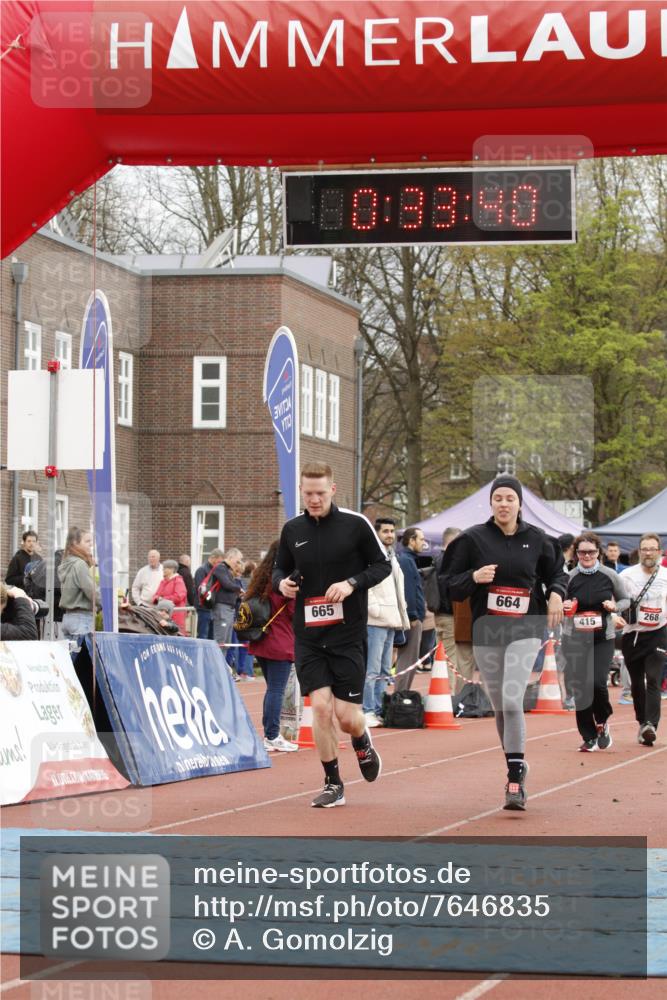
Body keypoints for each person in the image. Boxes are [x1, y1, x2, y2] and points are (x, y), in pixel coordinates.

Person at [442, 475, 567, 811]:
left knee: (512, 699)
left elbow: (558, 572)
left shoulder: (538, 539)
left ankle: (514, 775)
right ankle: (515, 761)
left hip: (527, 627)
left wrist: (556, 594)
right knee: (501, 705)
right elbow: (447, 584)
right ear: (491, 503)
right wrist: (472, 577)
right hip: (488, 629)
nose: (503, 503)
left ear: (519, 504)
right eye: (498, 498)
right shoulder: (473, 540)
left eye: (510, 498)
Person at [273, 461, 391, 808]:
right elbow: (278, 567)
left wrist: (351, 583)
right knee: (321, 709)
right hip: (309, 634)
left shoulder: (355, 525)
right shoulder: (293, 529)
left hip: (347, 633)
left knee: (348, 717)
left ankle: (362, 739)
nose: (313, 499)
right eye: (308, 493)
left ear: (333, 490)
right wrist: (281, 583)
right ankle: (333, 782)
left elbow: (382, 565)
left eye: (320, 493)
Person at [561, 532, 629, 752]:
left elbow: (626, 599)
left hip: (602, 638)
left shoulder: (609, 575)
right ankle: (588, 735)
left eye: (591, 551)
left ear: (598, 552)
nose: (587, 555)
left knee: (598, 682)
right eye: (582, 552)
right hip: (575, 638)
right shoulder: (569, 577)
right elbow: (557, 601)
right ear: (576, 553)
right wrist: (564, 606)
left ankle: (602, 721)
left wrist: (614, 607)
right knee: (580, 688)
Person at [246, 541, 298, 751]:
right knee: (276, 690)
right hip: (280, 641)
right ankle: (272, 735)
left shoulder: (261, 577)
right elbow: (294, 612)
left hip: (261, 640)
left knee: (272, 689)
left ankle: (270, 734)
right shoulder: (286, 582)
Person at [621, 532, 667, 746]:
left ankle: (651, 725)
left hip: (658, 633)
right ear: (640, 552)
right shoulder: (627, 575)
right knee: (637, 683)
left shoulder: (665, 575)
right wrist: (615, 614)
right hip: (632, 635)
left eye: (652, 549)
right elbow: (616, 601)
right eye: (645, 549)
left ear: (659, 552)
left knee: (654, 679)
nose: (648, 552)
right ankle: (642, 721)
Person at [363, 517, 409, 727]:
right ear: (377, 534)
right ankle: (367, 710)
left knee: (384, 670)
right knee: (371, 669)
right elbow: (365, 585)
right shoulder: (368, 557)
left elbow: (398, 590)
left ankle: (379, 708)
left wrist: (401, 615)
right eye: (386, 531)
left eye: (392, 531)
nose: (390, 535)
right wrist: (375, 609)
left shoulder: (393, 557)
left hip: (392, 619)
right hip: (376, 619)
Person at [394, 527, 426, 691]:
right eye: (421, 539)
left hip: (412, 617)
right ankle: (401, 695)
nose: (423, 543)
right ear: (411, 540)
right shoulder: (406, 561)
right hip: (411, 619)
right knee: (408, 660)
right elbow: (408, 590)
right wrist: (413, 616)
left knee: (410, 660)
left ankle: (402, 693)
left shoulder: (409, 559)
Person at [58, 527, 99, 642]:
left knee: (71, 659)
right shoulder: (80, 564)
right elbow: (92, 592)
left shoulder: (67, 563)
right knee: (84, 659)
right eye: (87, 541)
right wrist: (113, 604)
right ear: (75, 543)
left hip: (68, 618)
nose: (91, 545)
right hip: (82, 619)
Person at [211, 547, 244, 653]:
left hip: (229, 609)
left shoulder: (227, 570)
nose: (238, 563)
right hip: (222, 608)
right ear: (231, 557)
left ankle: (222, 667)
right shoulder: (220, 568)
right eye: (237, 561)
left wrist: (238, 595)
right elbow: (226, 584)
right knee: (220, 642)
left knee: (226, 643)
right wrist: (239, 589)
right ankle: (216, 668)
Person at [193, 548, 224, 640]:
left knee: (212, 635)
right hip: (204, 607)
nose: (220, 564)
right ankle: (202, 654)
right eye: (219, 561)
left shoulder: (215, 569)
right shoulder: (201, 570)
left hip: (212, 606)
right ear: (213, 558)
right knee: (203, 634)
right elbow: (200, 589)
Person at [152, 559, 188, 632]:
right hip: (163, 614)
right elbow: (156, 595)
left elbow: (179, 596)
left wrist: (162, 600)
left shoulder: (178, 581)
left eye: (165, 568)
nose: (163, 570)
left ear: (172, 569)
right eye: (163, 568)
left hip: (176, 613)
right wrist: (156, 599)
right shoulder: (163, 581)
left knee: (177, 633)